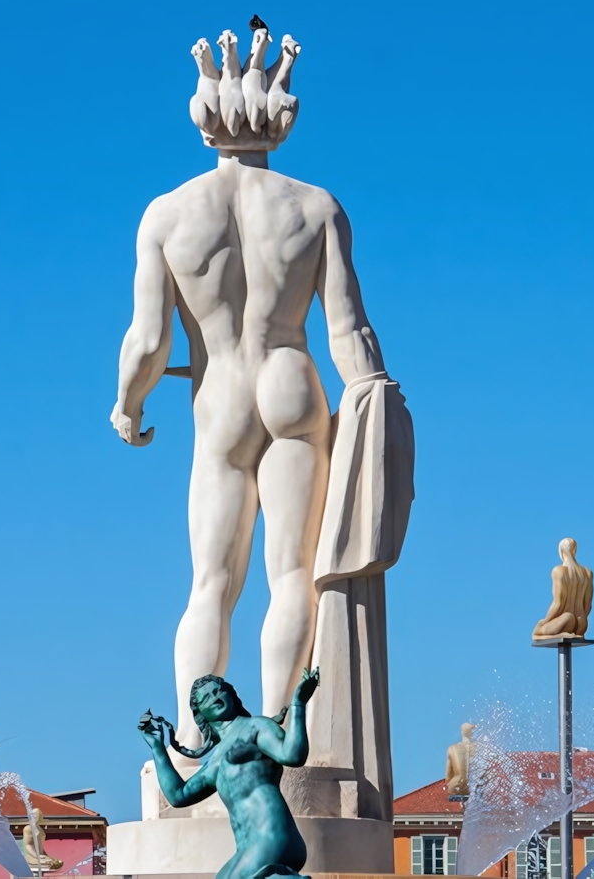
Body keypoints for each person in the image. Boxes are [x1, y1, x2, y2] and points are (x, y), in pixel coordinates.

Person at [112, 139, 386, 746]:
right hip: (291, 380)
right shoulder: (316, 207)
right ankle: (276, 730)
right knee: (293, 574)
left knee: (212, 583)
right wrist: (376, 400)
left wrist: (127, 405)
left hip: (223, 398)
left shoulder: (169, 213)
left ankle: (192, 739)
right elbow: (350, 329)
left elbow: (148, 340)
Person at [139, 668, 319, 879]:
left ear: (231, 695)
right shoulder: (214, 762)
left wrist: (298, 705)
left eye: (218, 691)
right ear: (201, 714)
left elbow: (293, 755)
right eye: (206, 697)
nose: (215, 697)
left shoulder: (256, 726)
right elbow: (178, 796)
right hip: (247, 848)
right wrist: (158, 748)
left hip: (272, 834)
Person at [532, 538, 593, 640]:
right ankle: (566, 634)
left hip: (566, 621)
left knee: (536, 634)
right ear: (575, 550)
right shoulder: (587, 573)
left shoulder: (559, 571)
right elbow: (588, 605)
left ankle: (560, 635)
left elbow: (558, 603)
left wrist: (546, 620)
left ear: (560, 550)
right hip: (582, 624)